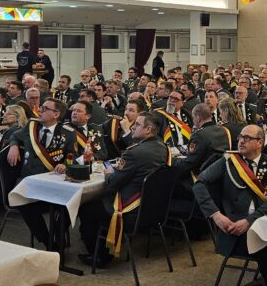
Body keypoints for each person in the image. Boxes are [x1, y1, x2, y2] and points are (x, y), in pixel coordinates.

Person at [194, 125, 267, 284]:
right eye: (241, 137)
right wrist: (216, 215)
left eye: (247, 138)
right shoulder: (228, 162)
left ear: (260, 142)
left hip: (264, 223)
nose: (241, 141)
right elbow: (199, 184)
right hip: (235, 229)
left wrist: (250, 220)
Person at [76, 113, 170, 266]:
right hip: (152, 209)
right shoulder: (163, 148)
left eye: (137, 125)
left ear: (148, 129)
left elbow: (112, 183)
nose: (132, 127)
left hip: (129, 211)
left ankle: (100, 256)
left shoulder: (133, 152)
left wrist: (108, 173)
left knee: (86, 207)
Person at [11, 99, 78, 249]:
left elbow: (73, 155)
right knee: (23, 205)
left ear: (56, 114)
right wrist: (14, 146)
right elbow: (15, 136)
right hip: (30, 181)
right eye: (41, 107)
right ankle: (48, 242)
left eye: (45, 108)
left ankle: (58, 236)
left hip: (54, 182)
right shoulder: (31, 126)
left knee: (71, 202)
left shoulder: (68, 133)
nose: (40, 110)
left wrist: (65, 164)